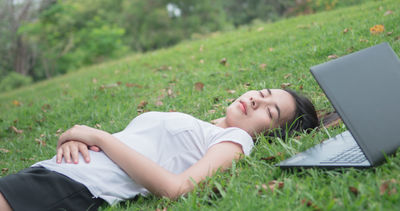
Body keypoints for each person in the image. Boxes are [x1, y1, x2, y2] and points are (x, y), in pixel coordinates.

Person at [0, 88, 318, 211]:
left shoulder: (237, 141)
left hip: (70, 189)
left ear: (273, 134)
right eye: (262, 93)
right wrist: (78, 140)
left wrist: (99, 136)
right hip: (49, 172)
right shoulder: (206, 127)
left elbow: (177, 188)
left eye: (270, 111)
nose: (255, 100)